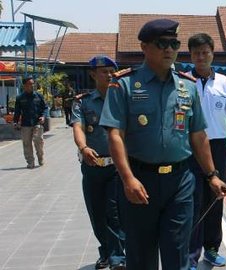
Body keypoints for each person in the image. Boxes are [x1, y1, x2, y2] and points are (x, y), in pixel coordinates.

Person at [99, 19, 226, 270]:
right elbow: (115, 134)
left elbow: (198, 135)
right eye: (162, 43)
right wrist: (127, 179)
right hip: (139, 180)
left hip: (180, 182)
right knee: (141, 257)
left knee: (178, 256)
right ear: (145, 47)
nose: (169, 49)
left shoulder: (187, 86)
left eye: (174, 43)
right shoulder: (123, 84)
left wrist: (212, 175)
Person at [187, 33, 226, 269]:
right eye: (196, 53)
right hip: (190, 148)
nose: (201, 57)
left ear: (212, 53)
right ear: (190, 56)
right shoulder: (183, 81)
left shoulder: (225, 83)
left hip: (217, 146)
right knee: (192, 200)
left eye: (205, 52)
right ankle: (191, 255)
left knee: (215, 198)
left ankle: (212, 249)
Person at [71, 56, 126, 270]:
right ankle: (106, 252)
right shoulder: (82, 101)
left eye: (112, 71)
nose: (109, 74)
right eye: (104, 71)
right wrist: (83, 148)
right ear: (93, 74)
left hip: (115, 168)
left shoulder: (120, 98)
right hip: (92, 167)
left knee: (114, 212)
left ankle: (118, 257)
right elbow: (78, 127)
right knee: (96, 213)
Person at [13, 77, 47, 169]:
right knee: (26, 143)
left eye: (33, 84)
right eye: (29, 84)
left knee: (38, 141)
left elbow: (45, 108)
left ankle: (40, 158)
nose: (32, 86)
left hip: (37, 122)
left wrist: (43, 116)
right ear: (24, 86)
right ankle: (30, 162)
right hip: (25, 124)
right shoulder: (20, 98)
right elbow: (17, 111)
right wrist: (15, 122)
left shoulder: (39, 96)